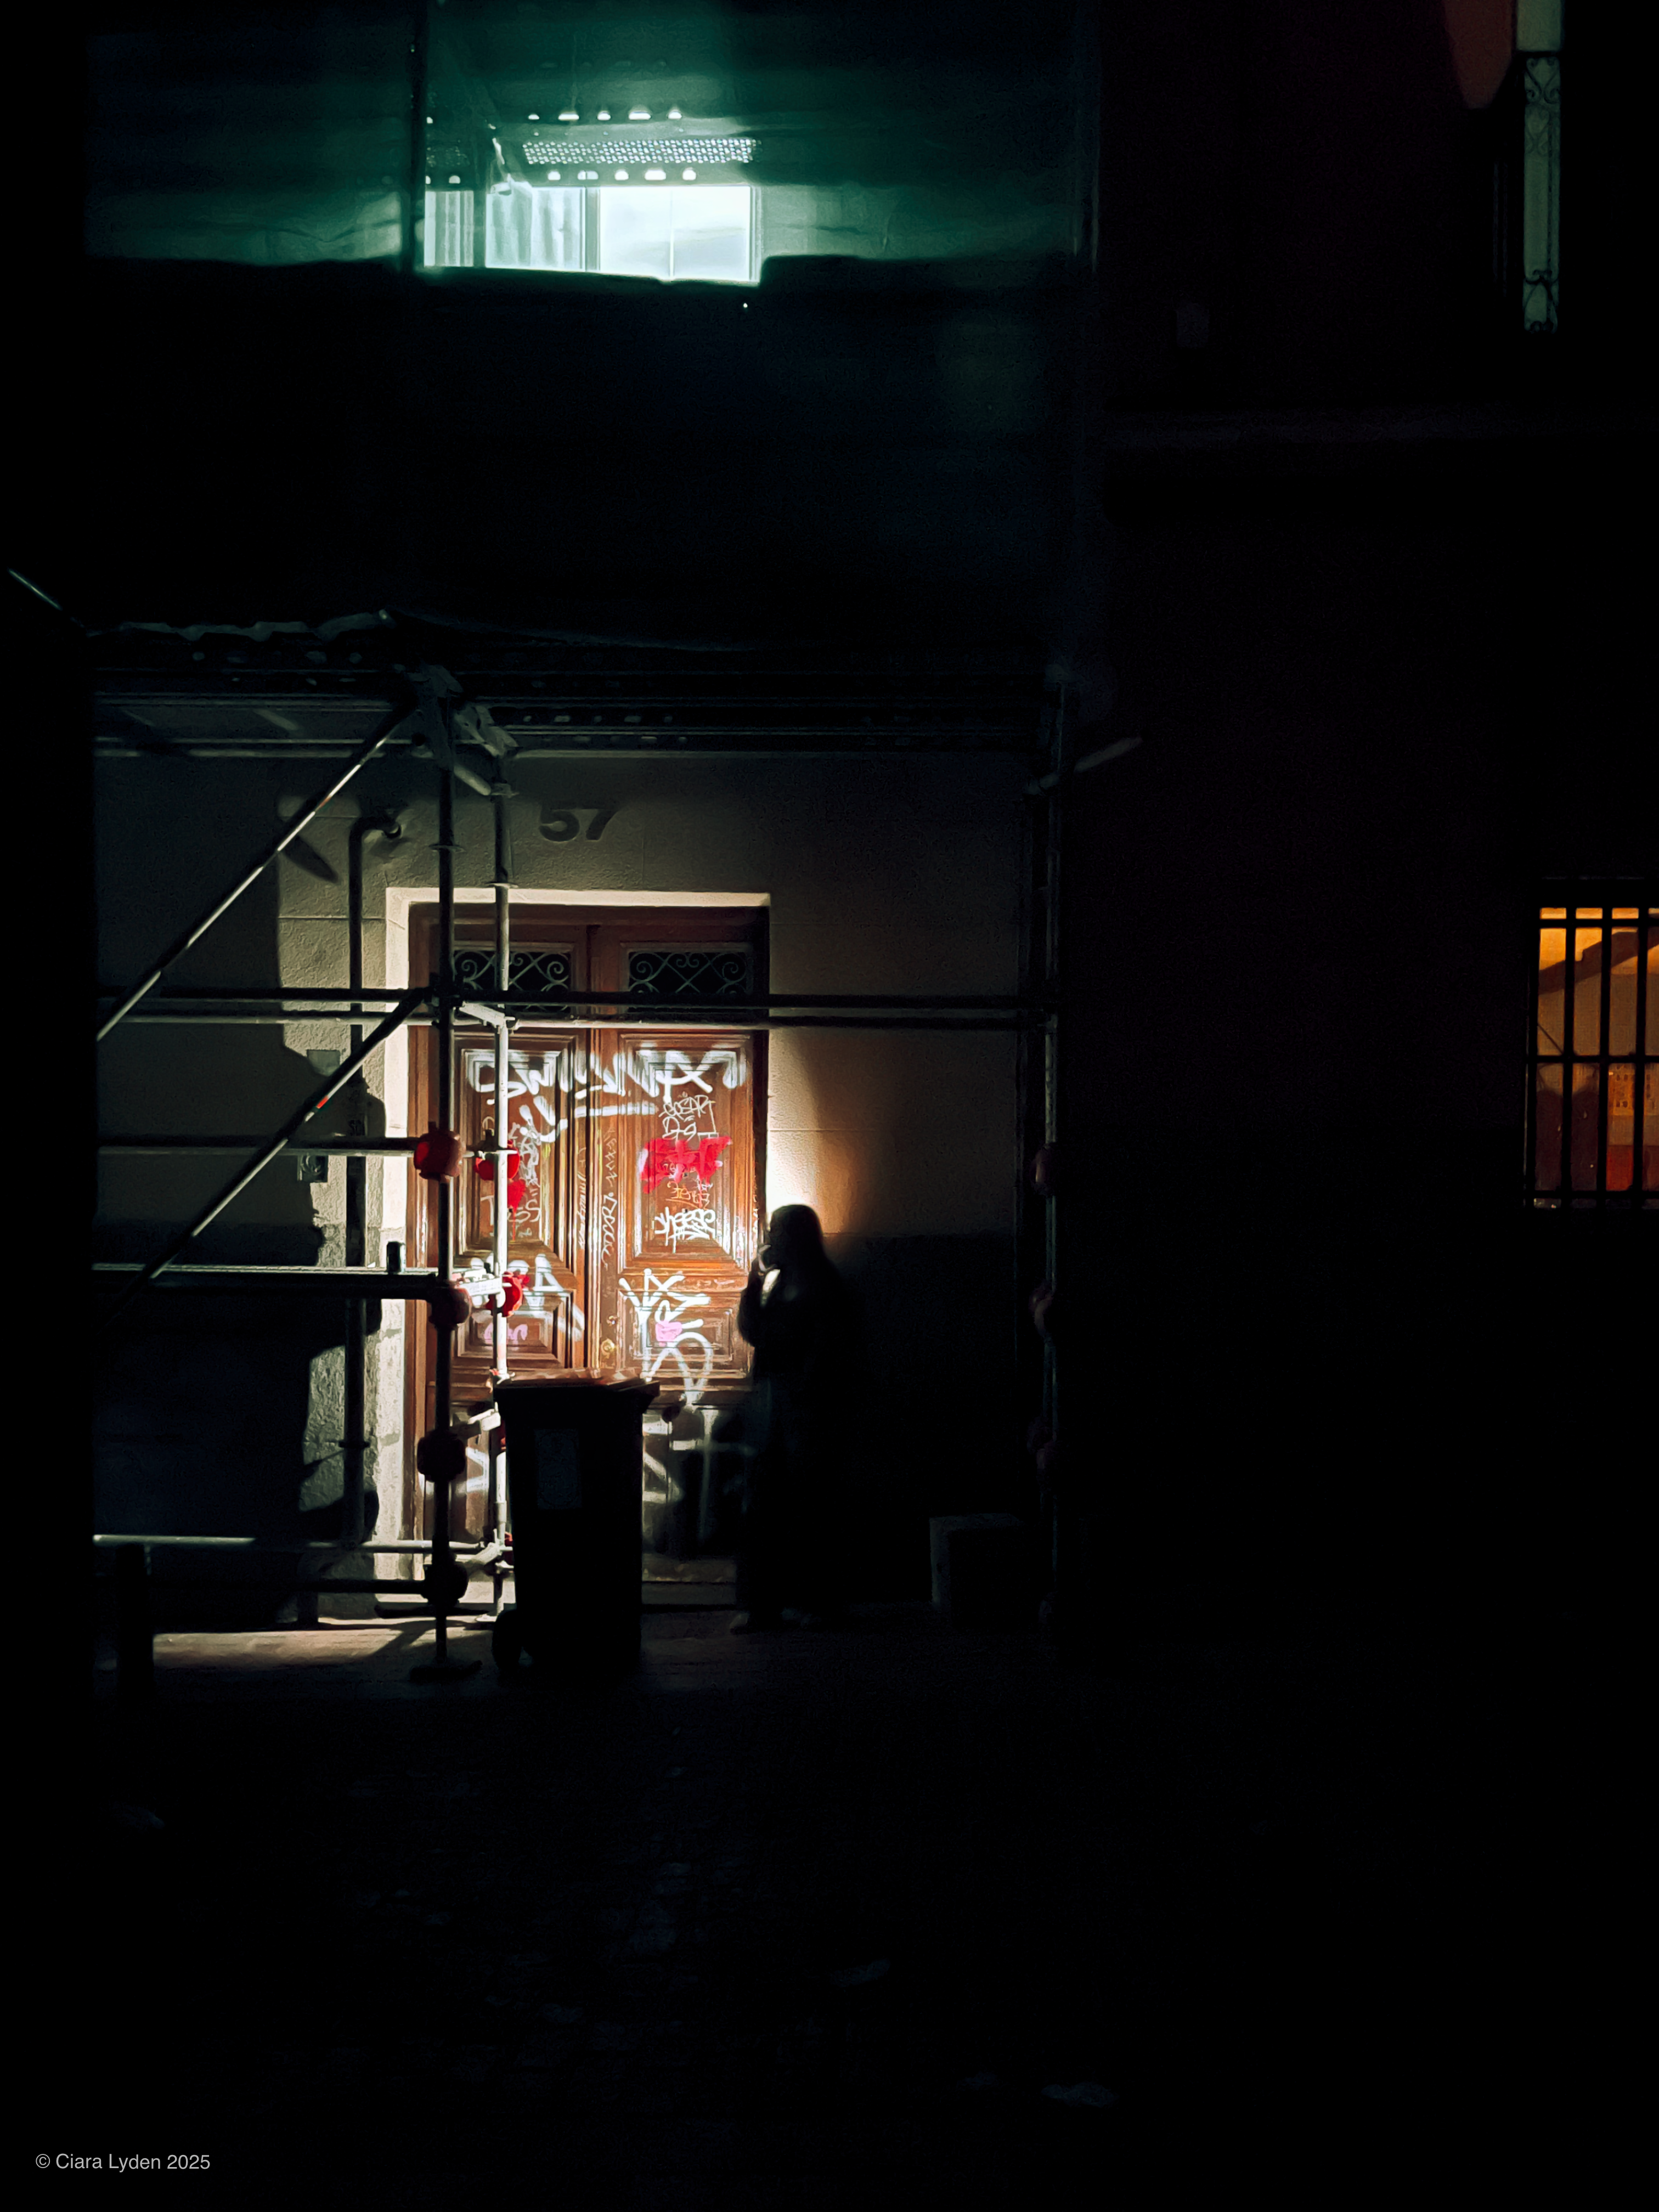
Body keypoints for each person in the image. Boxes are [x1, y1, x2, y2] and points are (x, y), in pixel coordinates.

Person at [728, 1206, 859, 1633]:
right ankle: (762, 1604)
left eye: (775, 1234)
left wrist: (803, 1396)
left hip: (809, 1415)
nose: (769, 1241)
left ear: (795, 1239)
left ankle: (814, 1602)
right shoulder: (780, 1284)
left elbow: (827, 1357)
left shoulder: (824, 1288)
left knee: (809, 1508)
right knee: (763, 1508)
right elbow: (753, 1330)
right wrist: (754, 1279)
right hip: (775, 1412)